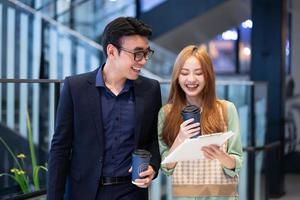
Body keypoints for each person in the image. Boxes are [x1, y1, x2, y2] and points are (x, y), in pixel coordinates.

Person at [47, 17, 162, 200]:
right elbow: (60, 148)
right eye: (137, 53)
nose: (143, 61)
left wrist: (153, 166)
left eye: (146, 53)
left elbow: (152, 141)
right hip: (85, 192)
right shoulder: (75, 88)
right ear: (111, 51)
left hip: (132, 192)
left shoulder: (151, 89)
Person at [158, 45, 243, 199]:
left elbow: (236, 162)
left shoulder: (226, 109)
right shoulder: (166, 113)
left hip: (221, 195)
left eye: (199, 73)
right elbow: (166, 167)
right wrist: (180, 139)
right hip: (184, 195)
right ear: (177, 76)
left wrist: (220, 156)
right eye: (184, 73)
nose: (191, 79)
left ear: (208, 76)